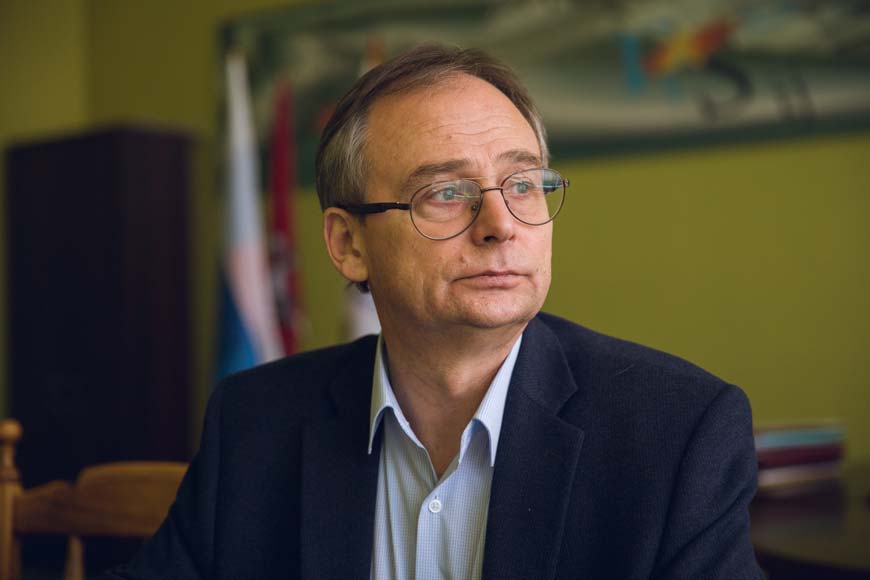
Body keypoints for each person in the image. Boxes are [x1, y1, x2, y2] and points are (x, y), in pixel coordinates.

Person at [108, 44, 764, 580]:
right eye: (446, 192)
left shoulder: (680, 432)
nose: (501, 225)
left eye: (523, 184)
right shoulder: (255, 422)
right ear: (349, 244)